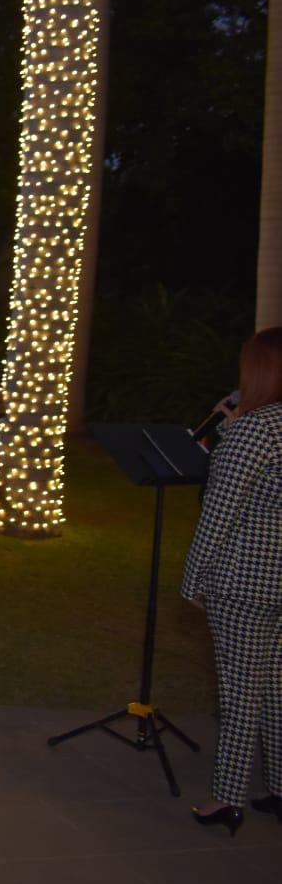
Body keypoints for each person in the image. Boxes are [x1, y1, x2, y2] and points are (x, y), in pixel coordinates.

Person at [180, 327, 282, 836]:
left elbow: (218, 515)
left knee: (241, 691)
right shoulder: (260, 429)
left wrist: (191, 581)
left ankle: (227, 798)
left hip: (244, 582)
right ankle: (280, 789)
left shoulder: (252, 431)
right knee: (278, 686)